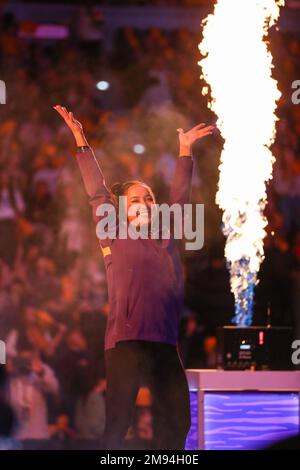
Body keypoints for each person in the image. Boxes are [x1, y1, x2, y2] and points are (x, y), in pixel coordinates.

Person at [54, 104, 213, 450]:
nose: (145, 203)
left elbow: (180, 199)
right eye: (136, 199)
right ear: (121, 209)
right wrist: (80, 138)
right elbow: (97, 191)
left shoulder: (168, 232)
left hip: (165, 344)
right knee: (118, 427)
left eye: (150, 198)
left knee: (180, 422)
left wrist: (185, 150)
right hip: (125, 343)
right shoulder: (112, 232)